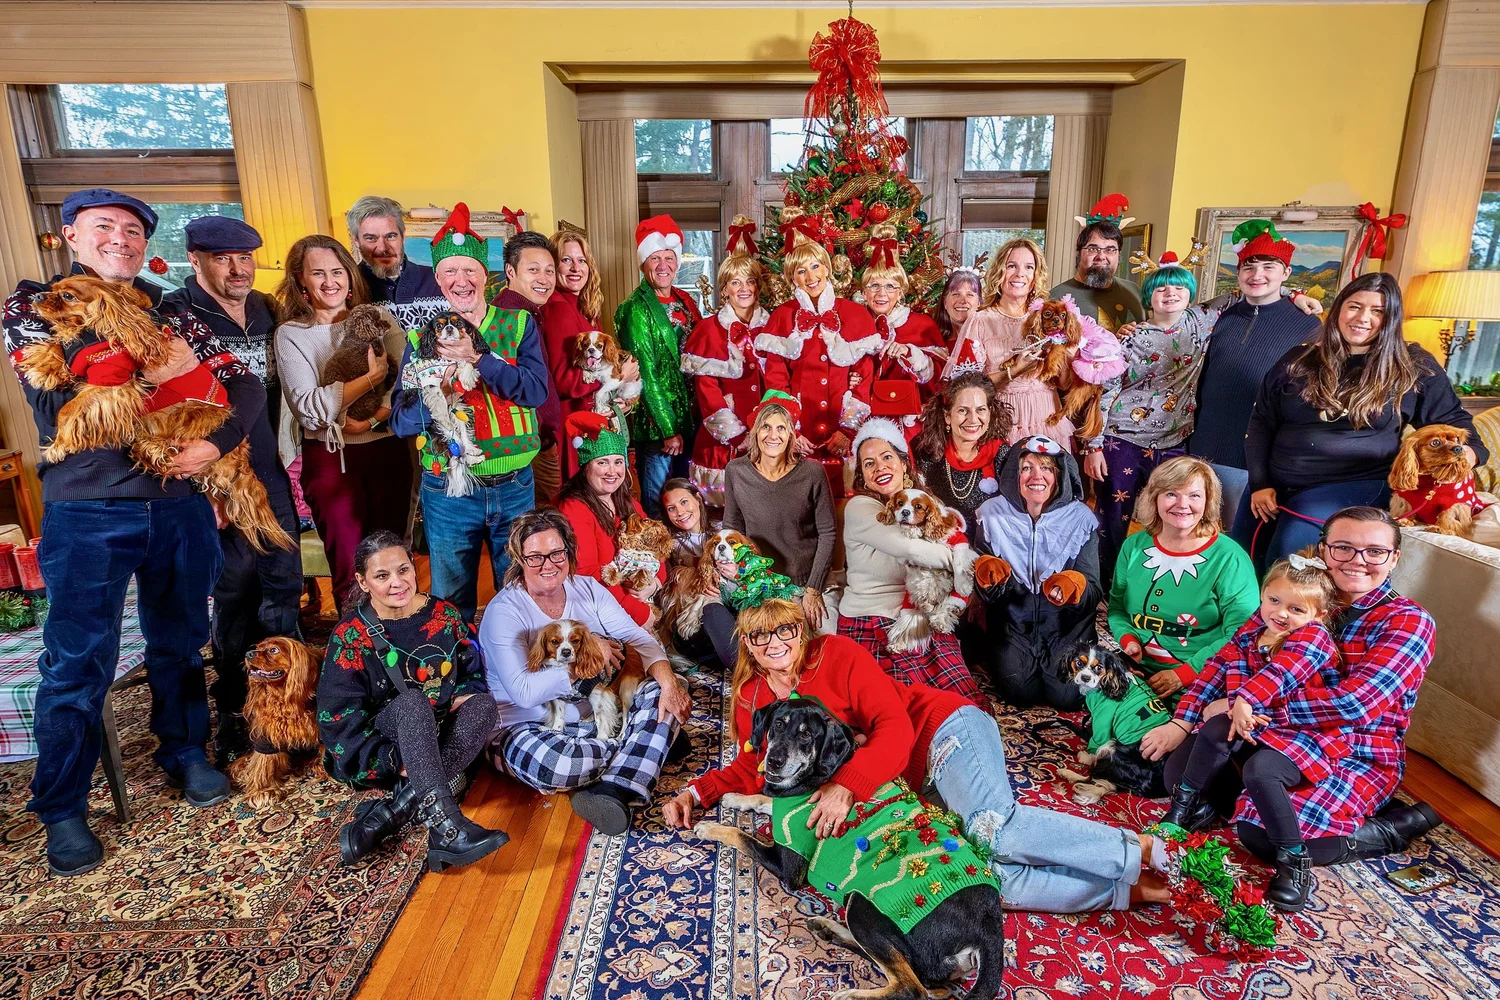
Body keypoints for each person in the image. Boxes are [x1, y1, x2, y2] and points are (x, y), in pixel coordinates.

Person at [4, 188, 264, 873]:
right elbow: (58, 403)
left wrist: (214, 445)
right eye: (102, 227)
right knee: (76, 661)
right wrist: (151, 366)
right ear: (69, 235)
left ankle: (184, 753)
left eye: (131, 230)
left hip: (176, 501)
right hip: (86, 509)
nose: (118, 238)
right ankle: (61, 807)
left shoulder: (173, 308)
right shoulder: (35, 307)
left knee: (180, 642)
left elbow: (243, 385)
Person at [661, 595, 1171, 912]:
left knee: (994, 826)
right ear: (746, 644)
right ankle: (1126, 891)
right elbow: (755, 764)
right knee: (977, 873)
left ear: (802, 631)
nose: (775, 642)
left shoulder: (837, 654)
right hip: (908, 788)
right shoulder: (753, 697)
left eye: (786, 629)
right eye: (760, 635)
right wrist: (696, 791)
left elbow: (895, 727)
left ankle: (1139, 852)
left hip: (943, 733)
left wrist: (846, 785)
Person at [1141, 507, 1443, 874]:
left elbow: (1355, 704)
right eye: (1343, 548)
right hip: (1268, 733)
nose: (1357, 561)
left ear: (1393, 558)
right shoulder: (1292, 596)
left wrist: (1243, 705)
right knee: (1180, 777)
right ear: (1324, 550)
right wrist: (1183, 721)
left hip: (1350, 748)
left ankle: (1390, 828)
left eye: (1374, 551)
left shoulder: (1409, 620)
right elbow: (1224, 661)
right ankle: (1251, 792)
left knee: (1263, 837)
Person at [1082, 249, 1322, 577]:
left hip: (1176, 443)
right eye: (1161, 289)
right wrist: (1093, 446)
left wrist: (1295, 295)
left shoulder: (1201, 320)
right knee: (1113, 518)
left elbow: (1250, 289)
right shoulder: (1129, 338)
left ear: (1191, 296)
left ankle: (1158, 579)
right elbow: (1105, 393)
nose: (1170, 294)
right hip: (1122, 439)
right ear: (1148, 296)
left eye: (1179, 288)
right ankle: (1105, 585)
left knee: (1171, 519)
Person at [162, 216, 302, 764]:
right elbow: (169, 405)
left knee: (283, 585)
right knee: (236, 595)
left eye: (245, 257)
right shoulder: (178, 314)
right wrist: (207, 478)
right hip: (216, 474)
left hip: (269, 467)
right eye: (223, 258)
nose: (237, 268)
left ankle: (285, 706)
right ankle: (236, 712)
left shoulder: (267, 309)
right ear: (196, 259)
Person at [1242, 272, 1486, 566]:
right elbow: (1261, 423)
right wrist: (1259, 483)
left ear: (1392, 318)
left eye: (1378, 311)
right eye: (1354, 306)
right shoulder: (1299, 358)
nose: (1362, 318)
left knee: (1288, 555)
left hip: (1357, 483)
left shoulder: (1413, 366)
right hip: (1276, 483)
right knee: (1240, 557)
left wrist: (1467, 456)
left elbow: (1456, 424)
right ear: (1340, 309)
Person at [482, 509, 691, 836]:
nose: (548, 564)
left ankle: (613, 791)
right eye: (535, 557)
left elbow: (637, 637)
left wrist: (668, 683)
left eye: (556, 553)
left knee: (664, 691)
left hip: (591, 715)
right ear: (518, 559)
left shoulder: (588, 588)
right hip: (526, 725)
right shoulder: (503, 612)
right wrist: (592, 654)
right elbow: (524, 692)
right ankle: (645, 748)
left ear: (569, 552)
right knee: (563, 765)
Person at [1158, 553, 1346, 911]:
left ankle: (1294, 858)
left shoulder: (1314, 638)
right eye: (1274, 600)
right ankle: (1181, 809)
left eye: (1296, 608)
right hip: (1254, 723)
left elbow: (1282, 675)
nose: (1281, 613)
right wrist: (1184, 719)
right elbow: (1215, 668)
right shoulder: (1253, 630)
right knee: (1214, 728)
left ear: (1318, 616)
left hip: (1298, 733)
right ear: (1262, 595)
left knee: (1262, 771)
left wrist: (1242, 700)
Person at [389, 208, 549, 622]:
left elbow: (535, 391)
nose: (461, 281)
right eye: (450, 272)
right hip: (448, 491)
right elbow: (401, 421)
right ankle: (459, 678)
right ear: (439, 280)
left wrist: (478, 358)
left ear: (486, 274)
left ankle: (516, 674)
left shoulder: (517, 325)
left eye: (470, 270)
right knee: (450, 597)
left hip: (514, 483)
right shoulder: (418, 338)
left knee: (519, 592)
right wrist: (437, 390)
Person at [316, 531, 508, 871]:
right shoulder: (350, 636)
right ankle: (447, 828)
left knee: (484, 706)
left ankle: (389, 816)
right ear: (362, 581)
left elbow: (472, 672)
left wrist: (464, 695)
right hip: (386, 745)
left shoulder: (445, 616)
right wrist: (392, 761)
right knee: (412, 703)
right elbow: (335, 719)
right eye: (381, 576)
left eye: (403, 570)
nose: (397, 583)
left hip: (435, 739)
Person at [275, 234, 410, 606]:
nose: (330, 281)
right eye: (317, 273)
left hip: (388, 453)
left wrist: (368, 421)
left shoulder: (379, 318)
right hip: (331, 462)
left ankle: (398, 643)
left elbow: (406, 380)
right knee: (349, 566)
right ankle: (356, 652)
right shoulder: (291, 335)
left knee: (393, 562)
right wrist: (369, 377)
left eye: (337, 271)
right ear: (300, 279)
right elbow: (308, 409)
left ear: (350, 275)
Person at [1187, 220, 1324, 532]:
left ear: (1286, 273)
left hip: (1256, 463)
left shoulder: (1309, 326)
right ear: (1238, 273)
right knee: (1197, 539)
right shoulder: (1219, 316)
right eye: (1249, 266)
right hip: (1201, 451)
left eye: (1269, 266)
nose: (1257, 275)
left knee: (1242, 545)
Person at [840, 419, 986, 704]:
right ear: (862, 476)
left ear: (904, 463)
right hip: (871, 617)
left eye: (886, 457)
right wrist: (965, 562)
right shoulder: (860, 507)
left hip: (921, 611)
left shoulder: (924, 501)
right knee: (901, 703)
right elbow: (913, 551)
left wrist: (960, 560)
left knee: (963, 701)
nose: (880, 467)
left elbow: (950, 535)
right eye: (868, 464)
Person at [1108, 457, 1259, 703]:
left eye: (1194, 496)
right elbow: (1116, 608)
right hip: (1136, 668)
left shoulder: (1230, 557)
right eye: (1171, 494)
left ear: (1208, 501)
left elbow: (1242, 632)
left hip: (1201, 672)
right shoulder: (1134, 545)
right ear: (1154, 498)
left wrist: (1185, 674)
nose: (1182, 504)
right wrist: (1128, 640)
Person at [757, 211, 879, 497]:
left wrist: (848, 430)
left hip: (842, 431)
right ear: (792, 278)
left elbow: (864, 377)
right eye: (801, 271)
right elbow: (775, 380)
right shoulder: (782, 316)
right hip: (801, 434)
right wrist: (789, 432)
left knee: (846, 503)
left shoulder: (855, 314)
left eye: (815, 267)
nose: (810, 277)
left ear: (827, 268)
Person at [972, 436, 1099, 710]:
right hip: (1012, 625)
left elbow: (1093, 590)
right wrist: (989, 578)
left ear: (1060, 475)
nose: (1036, 476)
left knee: (1068, 698)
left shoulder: (1081, 518)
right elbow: (987, 594)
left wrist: (1073, 585)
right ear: (1013, 475)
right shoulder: (991, 515)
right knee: (1020, 693)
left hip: (1067, 627)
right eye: (1026, 468)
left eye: (1046, 468)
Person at [722, 391, 836, 631]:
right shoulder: (736, 471)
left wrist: (812, 590)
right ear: (755, 431)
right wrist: (737, 570)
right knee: (762, 643)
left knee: (815, 643)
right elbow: (733, 527)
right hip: (759, 581)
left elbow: (827, 532)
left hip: (806, 581)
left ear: (791, 434)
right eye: (766, 427)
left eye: (781, 428)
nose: (773, 435)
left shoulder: (812, 473)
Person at [614, 215, 702, 519]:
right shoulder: (634, 309)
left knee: (688, 499)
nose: (663, 265)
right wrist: (668, 429)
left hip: (691, 419)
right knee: (658, 502)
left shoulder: (686, 300)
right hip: (658, 429)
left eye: (669, 257)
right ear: (643, 264)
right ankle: (660, 565)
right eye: (655, 258)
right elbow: (646, 371)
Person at [941, 237, 1063, 444]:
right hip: (1003, 422)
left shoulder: (1048, 317)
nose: (1019, 274)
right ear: (999, 272)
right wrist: (1014, 371)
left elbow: (1065, 382)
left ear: (1036, 275)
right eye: (1011, 266)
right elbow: (964, 387)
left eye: (1029, 267)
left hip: (1047, 419)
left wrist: (1069, 354)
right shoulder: (980, 321)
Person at [680, 217, 767, 506]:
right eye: (735, 282)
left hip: (766, 436)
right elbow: (707, 391)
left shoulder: (772, 327)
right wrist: (735, 435)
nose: (744, 288)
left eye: (750, 281)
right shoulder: (708, 330)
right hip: (725, 440)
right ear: (725, 288)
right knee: (724, 515)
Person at [541, 226, 635, 481]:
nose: (575, 268)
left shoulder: (583, 309)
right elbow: (563, 381)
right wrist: (620, 376)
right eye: (566, 260)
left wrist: (616, 394)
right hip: (571, 424)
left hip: (588, 419)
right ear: (553, 267)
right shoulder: (559, 310)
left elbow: (598, 367)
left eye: (581, 260)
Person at [556, 412, 667, 628]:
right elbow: (588, 577)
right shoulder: (573, 509)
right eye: (602, 463)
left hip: (640, 596)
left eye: (618, 462)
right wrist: (640, 614)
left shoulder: (627, 502)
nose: (612, 471)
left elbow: (655, 545)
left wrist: (655, 583)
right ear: (586, 466)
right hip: (598, 606)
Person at [488, 229, 564, 504]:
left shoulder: (529, 314)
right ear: (510, 271)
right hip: (529, 447)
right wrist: (542, 436)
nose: (544, 279)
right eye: (533, 270)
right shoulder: (506, 318)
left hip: (541, 442)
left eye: (549, 271)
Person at [860, 223, 947, 442]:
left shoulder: (921, 324)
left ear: (901, 293)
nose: (881, 293)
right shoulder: (854, 324)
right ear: (863, 292)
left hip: (907, 424)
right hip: (860, 421)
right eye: (874, 286)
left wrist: (910, 354)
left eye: (890, 287)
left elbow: (940, 378)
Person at [911, 372, 1012, 534]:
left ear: (989, 413)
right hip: (941, 545)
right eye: (963, 411)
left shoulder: (1004, 455)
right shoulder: (926, 451)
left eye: (980, 410)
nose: (973, 419)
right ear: (947, 416)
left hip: (989, 548)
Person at [659, 478, 738, 671]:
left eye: (684, 502)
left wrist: (736, 573)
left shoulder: (724, 532)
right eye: (671, 508)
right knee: (712, 611)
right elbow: (663, 587)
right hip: (695, 630)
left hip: (734, 622)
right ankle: (748, 676)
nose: (680, 513)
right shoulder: (669, 545)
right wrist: (695, 580)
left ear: (697, 499)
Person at [345, 195, 446, 330]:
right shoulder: (347, 288)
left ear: (403, 236)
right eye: (371, 238)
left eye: (390, 236)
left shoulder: (438, 280)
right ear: (356, 241)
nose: (383, 248)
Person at [1051, 194, 1145, 333]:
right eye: (1093, 249)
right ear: (1078, 253)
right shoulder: (1056, 299)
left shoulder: (1134, 291)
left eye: (1110, 249)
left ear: (1119, 255)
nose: (1101, 256)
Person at [934, 267, 982, 349]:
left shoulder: (989, 341)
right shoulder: (932, 341)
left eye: (969, 295)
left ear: (978, 303)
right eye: (956, 294)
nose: (962, 301)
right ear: (945, 302)